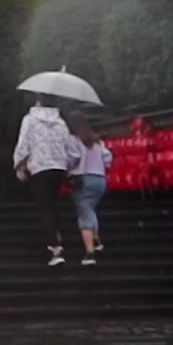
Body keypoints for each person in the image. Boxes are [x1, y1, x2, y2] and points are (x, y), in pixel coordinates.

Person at [14, 99, 73, 267]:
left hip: (39, 167)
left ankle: (55, 248)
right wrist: (68, 166)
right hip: (59, 167)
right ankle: (56, 237)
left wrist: (18, 165)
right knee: (54, 204)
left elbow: (23, 144)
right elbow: (67, 145)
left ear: (38, 101)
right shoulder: (61, 122)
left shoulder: (29, 119)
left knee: (45, 207)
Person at [65, 113, 112, 266]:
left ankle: (90, 252)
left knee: (84, 214)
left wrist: (67, 168)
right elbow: (108, 159)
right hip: (99, 179)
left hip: (82, 179)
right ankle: (96, 240)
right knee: (90, 210)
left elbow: (73, 157)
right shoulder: (97, 140)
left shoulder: (74, 139)